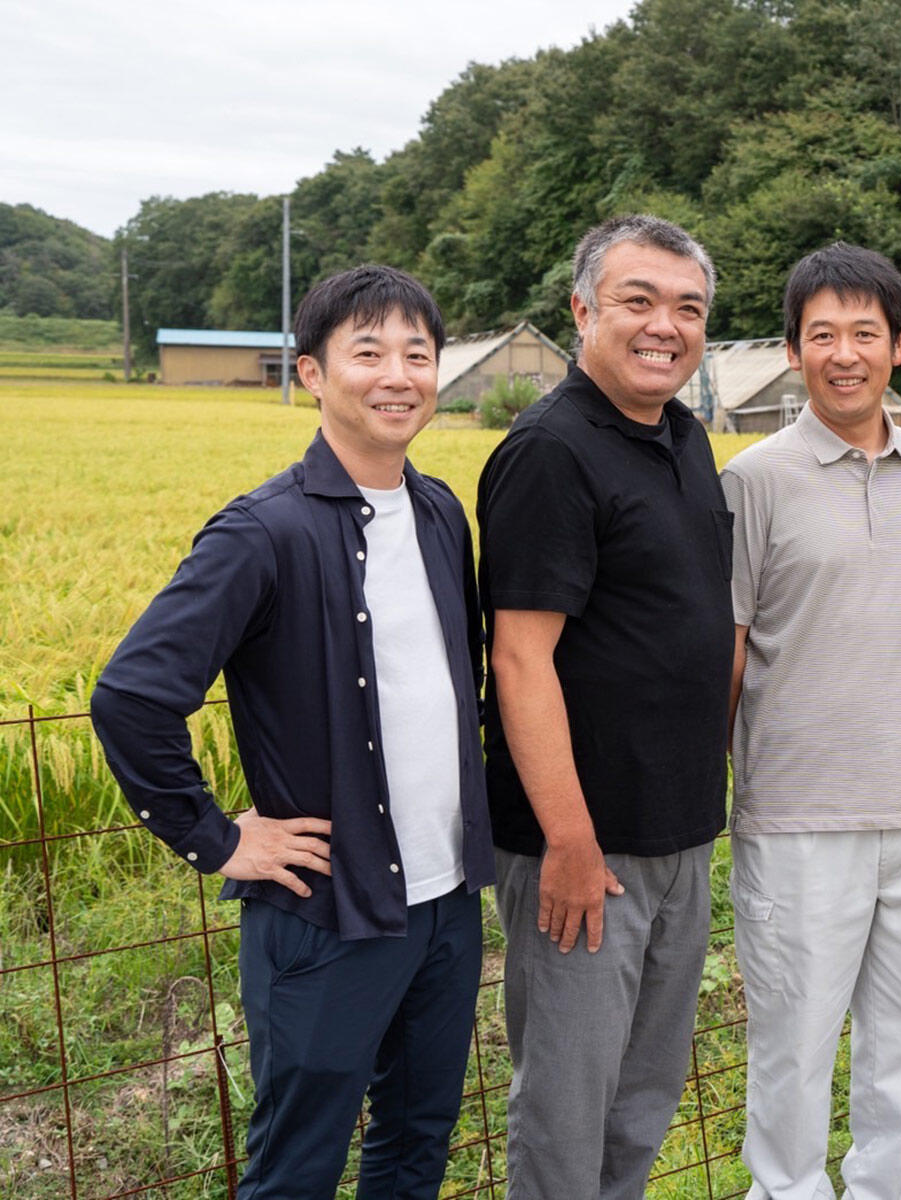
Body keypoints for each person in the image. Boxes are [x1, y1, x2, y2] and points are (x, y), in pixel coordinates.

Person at [91, 265, 492, 1200]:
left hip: (445, 906)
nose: (398, 375)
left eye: (418, 354)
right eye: (368, 353)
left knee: (417, 1140)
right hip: (326, 910)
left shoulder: (439, 513)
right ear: (312, 374)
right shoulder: (261, 532)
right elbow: (132, 695)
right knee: (298, 1166)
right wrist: (216, 838)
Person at [476, 215, 734, 1198]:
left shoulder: (682, 433)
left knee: (642, 1095)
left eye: (687, 307)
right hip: (584, 847)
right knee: (567, 1106)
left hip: (677, 832)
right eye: (639, 300)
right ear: (583, 309)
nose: (664, 325)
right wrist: (570, 843)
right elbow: (522, 659)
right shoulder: (551, 451)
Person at [721, 242, 901, 1200]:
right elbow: (729, 649)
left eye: (866, 332)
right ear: (792, 351)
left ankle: (886, 1188)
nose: (845, 352)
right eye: (822, 334)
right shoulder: (753, 480)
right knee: (793, 1040)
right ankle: (785, 1192)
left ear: (898, 345)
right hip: (796, 817)